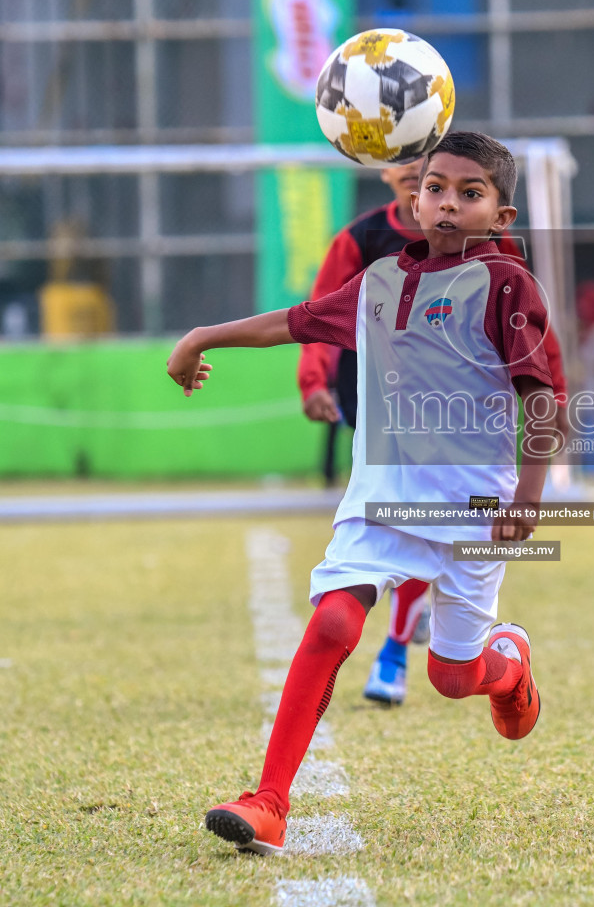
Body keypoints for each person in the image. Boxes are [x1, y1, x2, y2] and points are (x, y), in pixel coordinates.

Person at [167, 132, 553, 855]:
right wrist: (201, 337)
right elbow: (294, 322)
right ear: (411, 197)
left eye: (471, 195)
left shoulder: (508, 289)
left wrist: (525, 502)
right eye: (435, 187)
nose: (446, 204)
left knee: (450, 675)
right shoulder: (380, 284)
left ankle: (507, 670)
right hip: (383, 496)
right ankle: (269, 802)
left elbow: (543, 399)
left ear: (502, 219)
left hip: (476, 511)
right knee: (336, 622)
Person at [296, 158, 568, 708]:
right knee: (403, 512)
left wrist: (553, 396)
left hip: (466, 447)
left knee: (451, 669)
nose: (443, 198)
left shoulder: (494, 262)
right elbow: (313, 313)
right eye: (425, 182)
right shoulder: (361, 241)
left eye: (459, 189)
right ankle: (396, 649)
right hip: (377, 401)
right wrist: (312, 380)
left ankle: (403, 648)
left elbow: (529, 333)